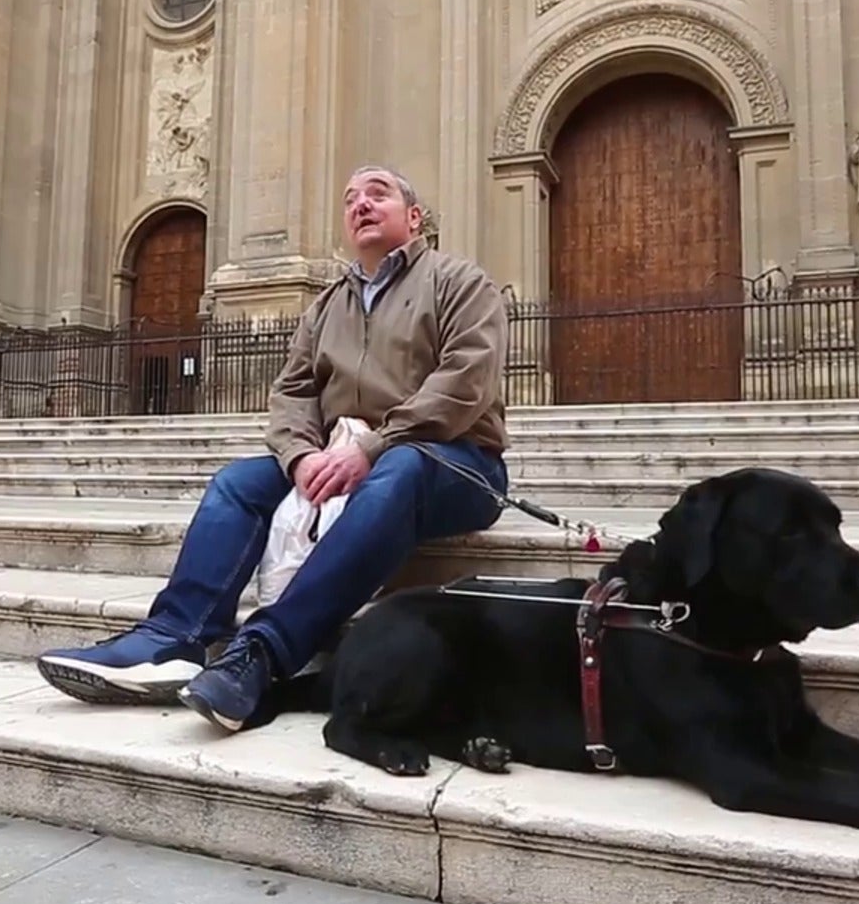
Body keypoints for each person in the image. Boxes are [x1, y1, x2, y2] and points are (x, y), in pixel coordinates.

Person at [36, 164, 511, 733]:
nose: (360, 204)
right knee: (239, 483)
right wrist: (301, 456)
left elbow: (464, 381)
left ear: (414, 217)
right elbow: (293, 392)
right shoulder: (327, 306)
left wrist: (374, 446)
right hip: (341, 457)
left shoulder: (459, 282)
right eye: (350, 198)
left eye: (377, 193)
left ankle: (262, 652)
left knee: (402, 467)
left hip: (455, 462)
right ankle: (173, 637)